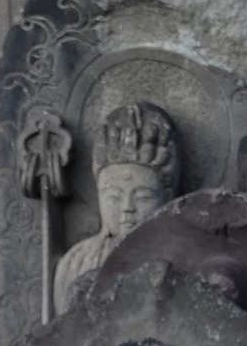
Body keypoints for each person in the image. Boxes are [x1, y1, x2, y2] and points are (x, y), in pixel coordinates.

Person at [52, 101, 178, 314]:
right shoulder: (77, 261)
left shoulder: (182, 257)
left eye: (143, 197)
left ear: (168, 197)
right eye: (114, 197)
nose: (127, 208)